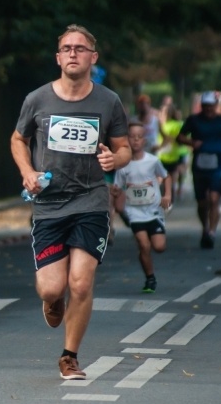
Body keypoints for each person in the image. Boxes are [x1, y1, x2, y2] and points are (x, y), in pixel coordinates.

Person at [10, 24, 130, 380]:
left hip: (91, 200)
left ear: (93, 57)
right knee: (51, 287)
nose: (73, 53)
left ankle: (69, 356)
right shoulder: (37, 99)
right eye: (67, 48)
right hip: (48, 204)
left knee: (80, 282)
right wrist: (27, 172)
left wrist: (114, 161)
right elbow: (18, 140)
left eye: (81, 48)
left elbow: (124, 148)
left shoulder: (108, 101)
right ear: (58, 57)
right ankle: (53, 300)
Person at [112, 123, 172, 293]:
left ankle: (149, 266)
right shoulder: (123, 165)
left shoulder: (153, 161)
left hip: (153, 211)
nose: (136, 140)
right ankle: (150, 278)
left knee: (159, 247)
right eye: (132, 136)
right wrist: (115, 192)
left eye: (139, 136)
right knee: (144, 245)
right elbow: (117, 187)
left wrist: (167, 195)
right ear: (127, 140)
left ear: (145, 140)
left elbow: (166, 177)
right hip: (135, 213)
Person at [177, 91, 221, 249]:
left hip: (218, 163)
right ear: (202, 106)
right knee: (202, 202)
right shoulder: (194, 120)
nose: (208, 109)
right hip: (200, 164)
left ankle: (212, 233)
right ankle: (205, 228)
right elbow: (179, 137)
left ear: (216, 106)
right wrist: (191, 142)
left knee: (214, 198)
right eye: (206, 106)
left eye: (211, 106)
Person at [157, 104, 188, 202]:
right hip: (161, 156)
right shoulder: (159, 124)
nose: (164, 114)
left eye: (167, 112)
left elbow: (177, 139)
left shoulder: (176, 125)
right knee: (161, 180)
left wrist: (166, 137)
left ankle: (171, 199)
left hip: (173, 156)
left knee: (171, 179)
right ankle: (161, 199)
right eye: (163, 112)